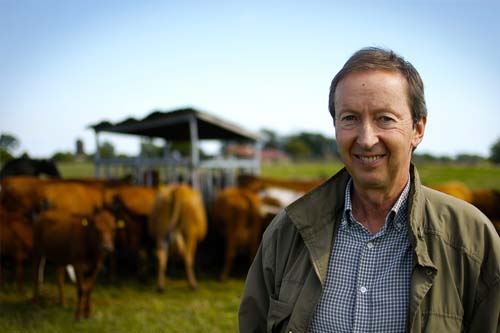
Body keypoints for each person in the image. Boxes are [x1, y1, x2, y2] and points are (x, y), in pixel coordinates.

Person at [238, 47, 500, 332]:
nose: (365, 139)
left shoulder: (471, 238)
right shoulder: (288, 232)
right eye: (350, 118)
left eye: (384, 118)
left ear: (418, 129)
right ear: (335, 126)